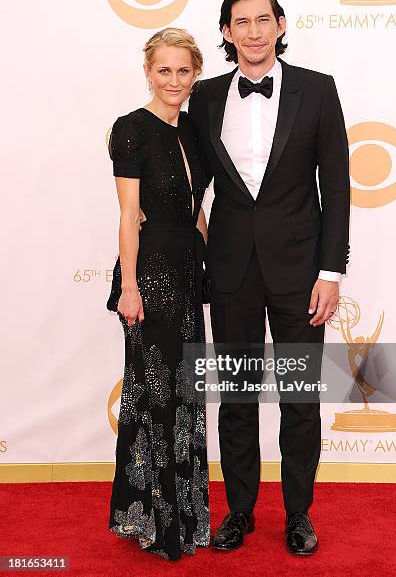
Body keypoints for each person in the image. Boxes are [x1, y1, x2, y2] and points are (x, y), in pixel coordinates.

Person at [189, 0, 350, 555]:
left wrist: (331, 272)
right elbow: (190, 185)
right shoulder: (205, 98)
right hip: (230, 270)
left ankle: (299, 514)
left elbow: (335, 186)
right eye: (242, 22)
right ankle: (238, 511)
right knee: (236, 397)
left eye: (264, 20)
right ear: (227, 33)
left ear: (281, 25)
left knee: (300, 400)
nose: (254, 32)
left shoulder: (317, 90)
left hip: (302, 273)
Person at [106, 28, 211, 561]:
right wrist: (129, 286)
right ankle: (151, 520)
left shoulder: (193, 130)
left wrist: (209, 264)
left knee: (186, 396)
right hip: (150, 276)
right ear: (148, 72)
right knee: (154, 398)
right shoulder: (131, 131)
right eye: (163, 70)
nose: (173, 81)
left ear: (195, 74)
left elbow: (197, 208)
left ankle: (187, 519)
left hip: (189, 275)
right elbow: (128, 214)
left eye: (183, 71)